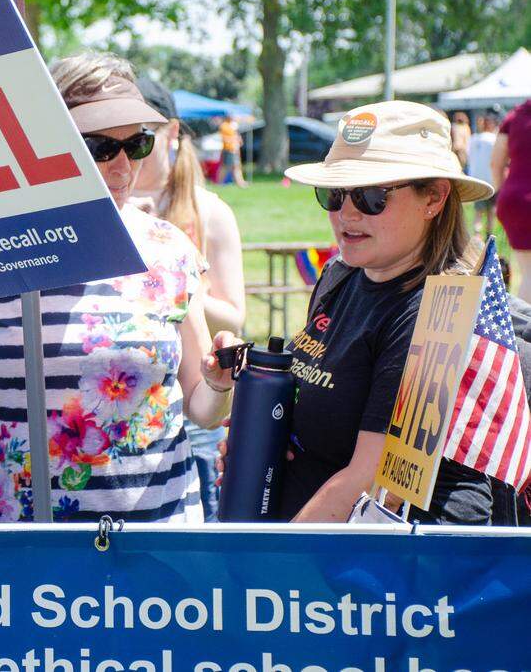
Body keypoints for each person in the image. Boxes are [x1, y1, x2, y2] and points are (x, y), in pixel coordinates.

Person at [0, 51, 238, 524]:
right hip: (27, 542)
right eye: (99, 147)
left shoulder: (170, 249)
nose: (122, 167)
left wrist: (218, 383)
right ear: (51, 143)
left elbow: (200, 404)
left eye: (136, 144)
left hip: (159, 536)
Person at [232, 101, 497, 524]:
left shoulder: (434, 311)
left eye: (372, 197)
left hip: (387, 574)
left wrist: (262, 565)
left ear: (433, 198)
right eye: (334, 195)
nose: (346, 213)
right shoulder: (340, 274)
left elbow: (372, 482)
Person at [130, 81, 245, 521]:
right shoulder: (106, 211)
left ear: (172, 133)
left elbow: (235, 312)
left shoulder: (208, 210)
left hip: (196, 402)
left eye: (142, 137)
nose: (129, 153)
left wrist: (172, 273)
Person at [493, 99, 531, 301]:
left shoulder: (514, 116)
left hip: (514, 200)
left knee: (528, 271)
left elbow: (495, 163)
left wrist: (500, 194)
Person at [467, 110, 500, 236]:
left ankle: (477, 237)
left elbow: (469, 159)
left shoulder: (473, 139)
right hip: (491, 179)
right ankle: (489, 236)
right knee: (491, 211)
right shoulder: (494, 139)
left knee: (478, 211)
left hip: (477, 179)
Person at [218, 116, 247, 188]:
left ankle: (240, 182)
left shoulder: (232, 126)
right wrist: (233, 141)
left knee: (236, 166)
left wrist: (238, 140)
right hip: (229, 149)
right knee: (225, 167)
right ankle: (220, 182)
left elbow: (236, 136)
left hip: (234, 149)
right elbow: (224, 138)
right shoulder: (224, 126)